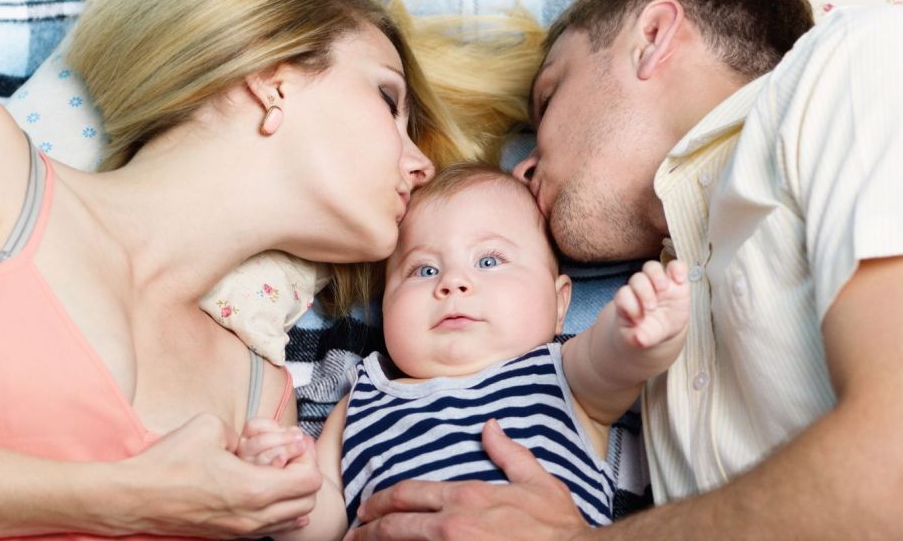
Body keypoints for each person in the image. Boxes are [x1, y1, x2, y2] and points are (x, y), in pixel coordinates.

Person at [348, 0, 903, 539]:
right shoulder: (666, 301)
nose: (525, 170)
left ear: (652, 37)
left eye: (549, 97)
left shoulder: (879, 60)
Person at [0, 0, 541, 537]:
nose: (422, 164)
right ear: (274, 79)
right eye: (386, 99)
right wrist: (123, 497)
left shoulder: (262, 403)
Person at [236, 163, 691, 539]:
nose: (453, 283)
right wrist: (289, 485)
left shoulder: (561, 374)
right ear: (384, 304)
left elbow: (614, 362)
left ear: (560, 304)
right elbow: (324, 522)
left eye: (489, 261)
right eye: (423, 268)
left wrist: (639, 325)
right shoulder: (361, 398)